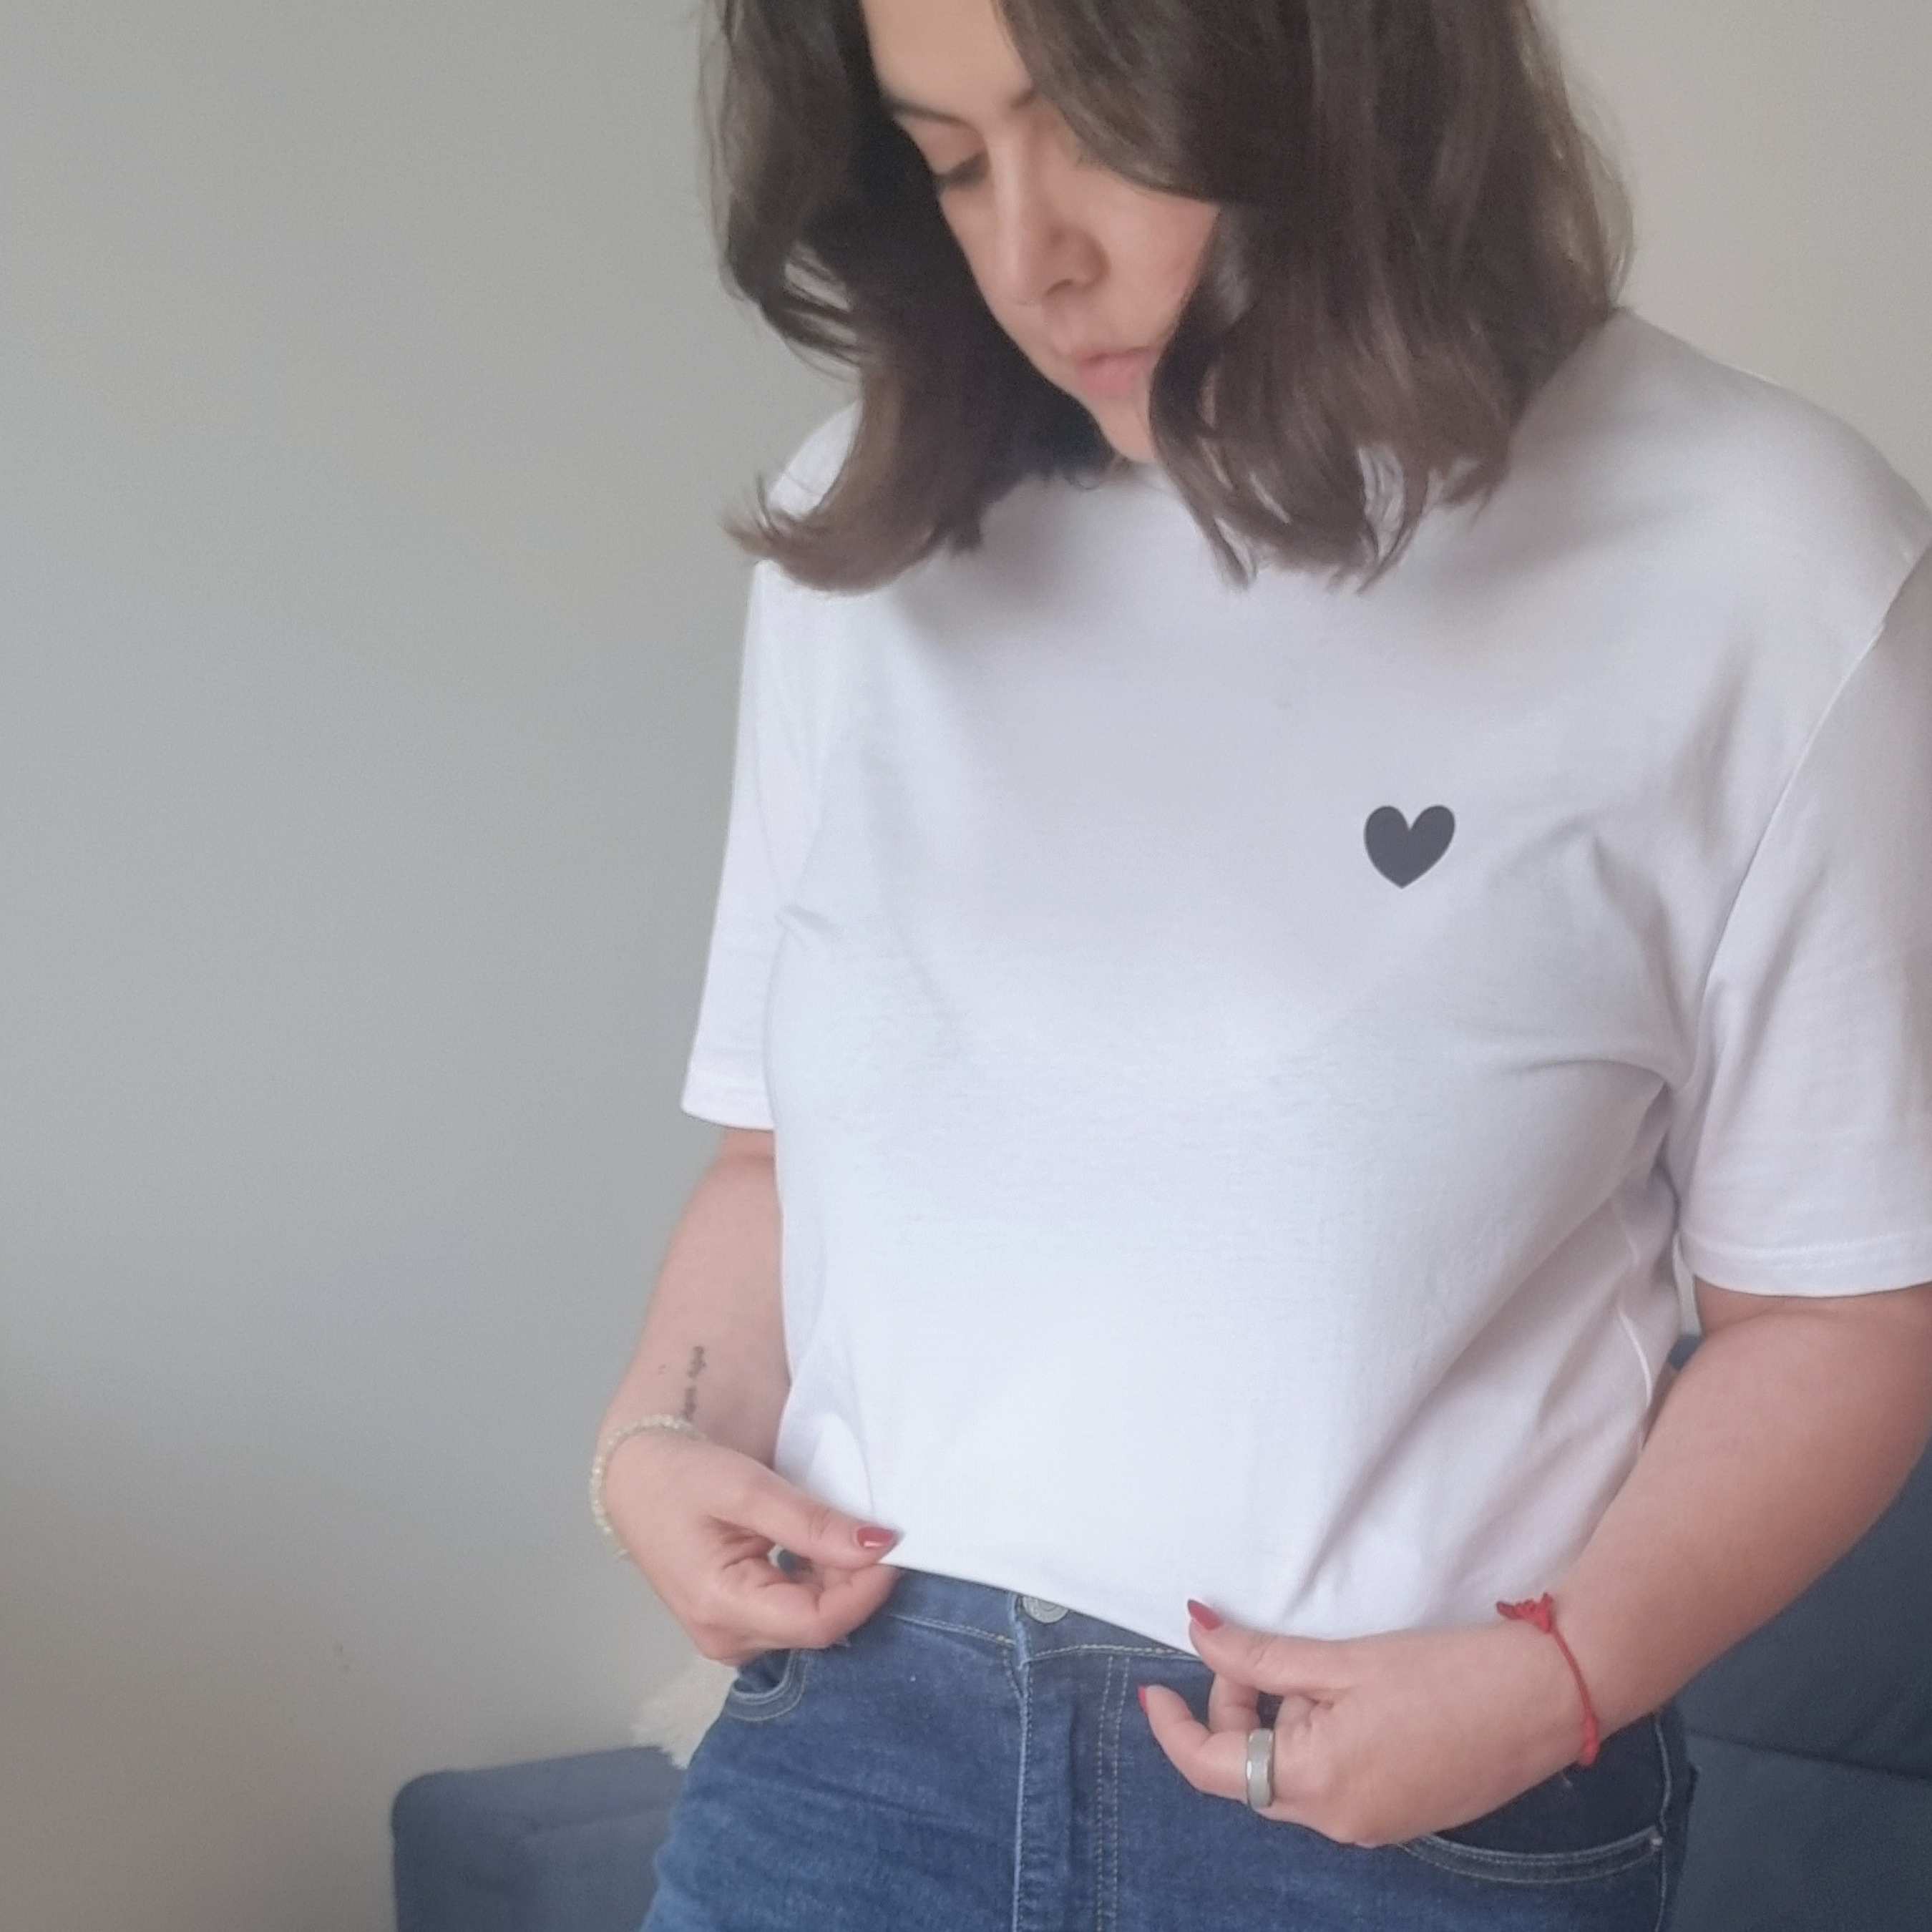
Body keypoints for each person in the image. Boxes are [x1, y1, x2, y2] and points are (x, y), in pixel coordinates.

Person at [594, 1, 1932, 1926]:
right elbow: (773, 1161)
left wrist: (1556, 1676)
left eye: (1104, 135)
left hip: (1400, 1804)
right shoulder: (867, 529)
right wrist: (657, 1434)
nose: (1029, 256)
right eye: (951, 158)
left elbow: (1841, 1313)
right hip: (841, 1761)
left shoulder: (1767, 557)